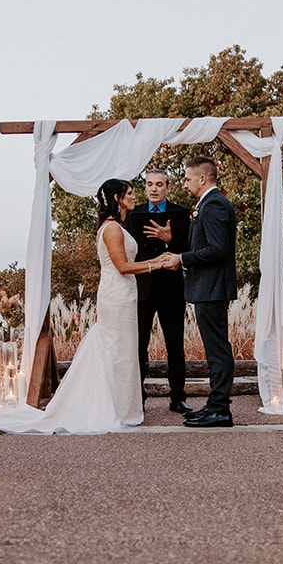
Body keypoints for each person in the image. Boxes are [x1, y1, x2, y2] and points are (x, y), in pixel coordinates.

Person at [0, 179, 156, 433]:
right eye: (129, 193)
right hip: (116, 295)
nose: (133, 197)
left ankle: (121, 406)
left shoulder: (116, 226)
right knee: (117, 349)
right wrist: (156, 264)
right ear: (118, 199)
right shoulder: (112, 229)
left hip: (124, 294)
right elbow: (122, 266)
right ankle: (111, 407)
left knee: (123, 349)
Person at [153, 157, 238, 428]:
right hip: (207, 287)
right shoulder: (208, 204)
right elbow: (204, 244)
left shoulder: (214, 205)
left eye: (188, 178)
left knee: (218, 350)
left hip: (212, 288)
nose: (185, 184)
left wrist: (181, 259)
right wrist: (177, 248)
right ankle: (215, 404)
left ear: (203, 178)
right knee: (214, 350)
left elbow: (218, 249)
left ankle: (220, 410)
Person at [124, 168, 191, 414]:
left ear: (168, 187)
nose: (154, 188)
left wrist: (170, 239)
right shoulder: (133, 214)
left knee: (175, 344)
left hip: (171, 287)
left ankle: (178, 397)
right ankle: (137, 397)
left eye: (159, 184)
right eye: (150, 184)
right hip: (142, 287)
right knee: (138, 344)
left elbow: (189, 249)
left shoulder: (181, 214)